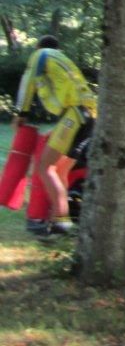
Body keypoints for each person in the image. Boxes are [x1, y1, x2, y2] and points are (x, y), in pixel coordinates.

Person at [12, 35, 97, 237]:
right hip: (90, 115)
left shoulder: (40, 55)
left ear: (38, 46)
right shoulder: (64, 60)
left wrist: (20, 114)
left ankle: (61, 222)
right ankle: (61, 220)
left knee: (45, 167)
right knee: (60, 171)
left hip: (73, 113)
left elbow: (28, 83)